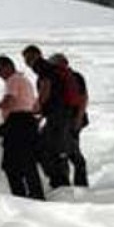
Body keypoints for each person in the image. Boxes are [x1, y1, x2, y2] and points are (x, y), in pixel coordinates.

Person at [0, 55, 45, 200]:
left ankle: (20, 196)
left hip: (18, 123)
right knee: (27, 162)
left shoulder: (13, 80)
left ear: (8, 67)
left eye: (0, 70)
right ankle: (35, 193)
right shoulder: (24, 80)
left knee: (11, 165)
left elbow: (10, 101)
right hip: (28, 122)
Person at [21, 45, 71, 188]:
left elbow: (46, 87)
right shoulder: (50, 69)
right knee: (54, 148)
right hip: (59, 115)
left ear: (38, 55)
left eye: (30, 58)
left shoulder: (42, 67)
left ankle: (59, 182)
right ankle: (60, 181)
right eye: (26, 60)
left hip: (57, 117)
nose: (28, 62)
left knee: (44, 147)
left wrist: (37, 107)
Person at [48, 53, 89, 187]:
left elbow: (82, 99)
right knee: (68, 149)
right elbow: (83, 98)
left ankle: (66, 185)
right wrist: (78, 118)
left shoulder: (59, 78)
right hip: (73, 119)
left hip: (66, 120)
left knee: (66, 151)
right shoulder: (75, 76)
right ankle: (78, 182)